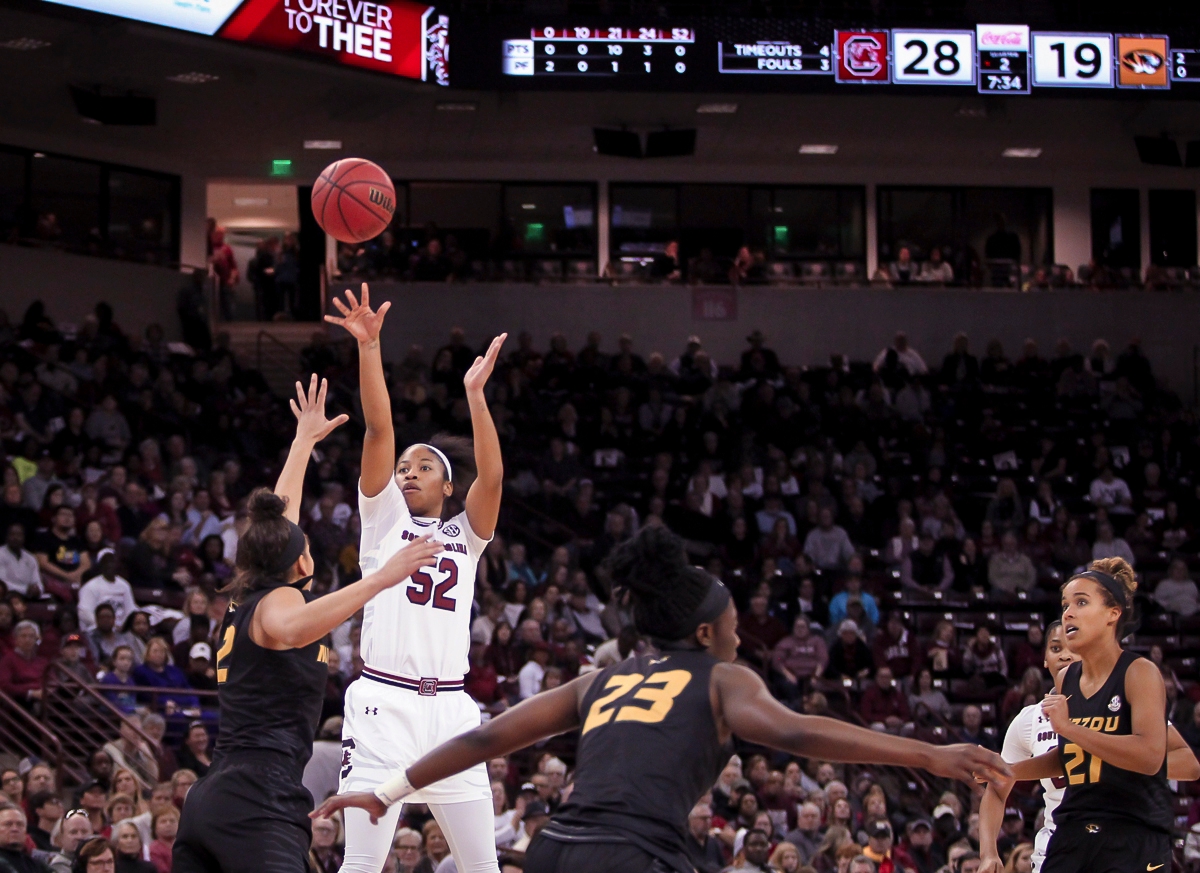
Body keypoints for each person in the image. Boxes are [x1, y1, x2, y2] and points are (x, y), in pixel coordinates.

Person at [313, 526, 1009, 873]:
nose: (740, 625)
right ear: (707, 631)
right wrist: (928, 751)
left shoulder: (603, 676)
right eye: (734, 614)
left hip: (556, 847)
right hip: (634, 855)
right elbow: (798, 734)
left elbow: (486, 739)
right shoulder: (723, 676)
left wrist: (391, 788)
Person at [171, 375, 445, 873]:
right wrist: (382, 577)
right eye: (308, 549)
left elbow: (281, 519)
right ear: (300, 564)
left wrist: (302, 441)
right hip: (258, 799)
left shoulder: (252, 588)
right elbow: (293, 628)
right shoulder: (278, 602)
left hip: (214, 796)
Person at [324, 284, 507, 873]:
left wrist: (475, 397)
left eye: (423, 467)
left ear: (448, 486)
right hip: (383, 702)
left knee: (484, 868)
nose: (407, 472)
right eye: (405, 466)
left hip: (451, 710)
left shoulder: (466, 537)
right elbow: (379, 431)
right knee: (362, 864)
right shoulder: (382, 522)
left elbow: (495, 478)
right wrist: (370, 349)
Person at [977, 558, 1194, 873]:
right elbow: (1071, 757)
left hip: (1132, 828)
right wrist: (1008, 771)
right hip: (1072, 828)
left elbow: (1152, 757)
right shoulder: (1064, 687)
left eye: (1080, 603)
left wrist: (1072, 731)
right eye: (1065, 605)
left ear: (1112, 614)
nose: (1068, 613)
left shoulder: (1138, 674)